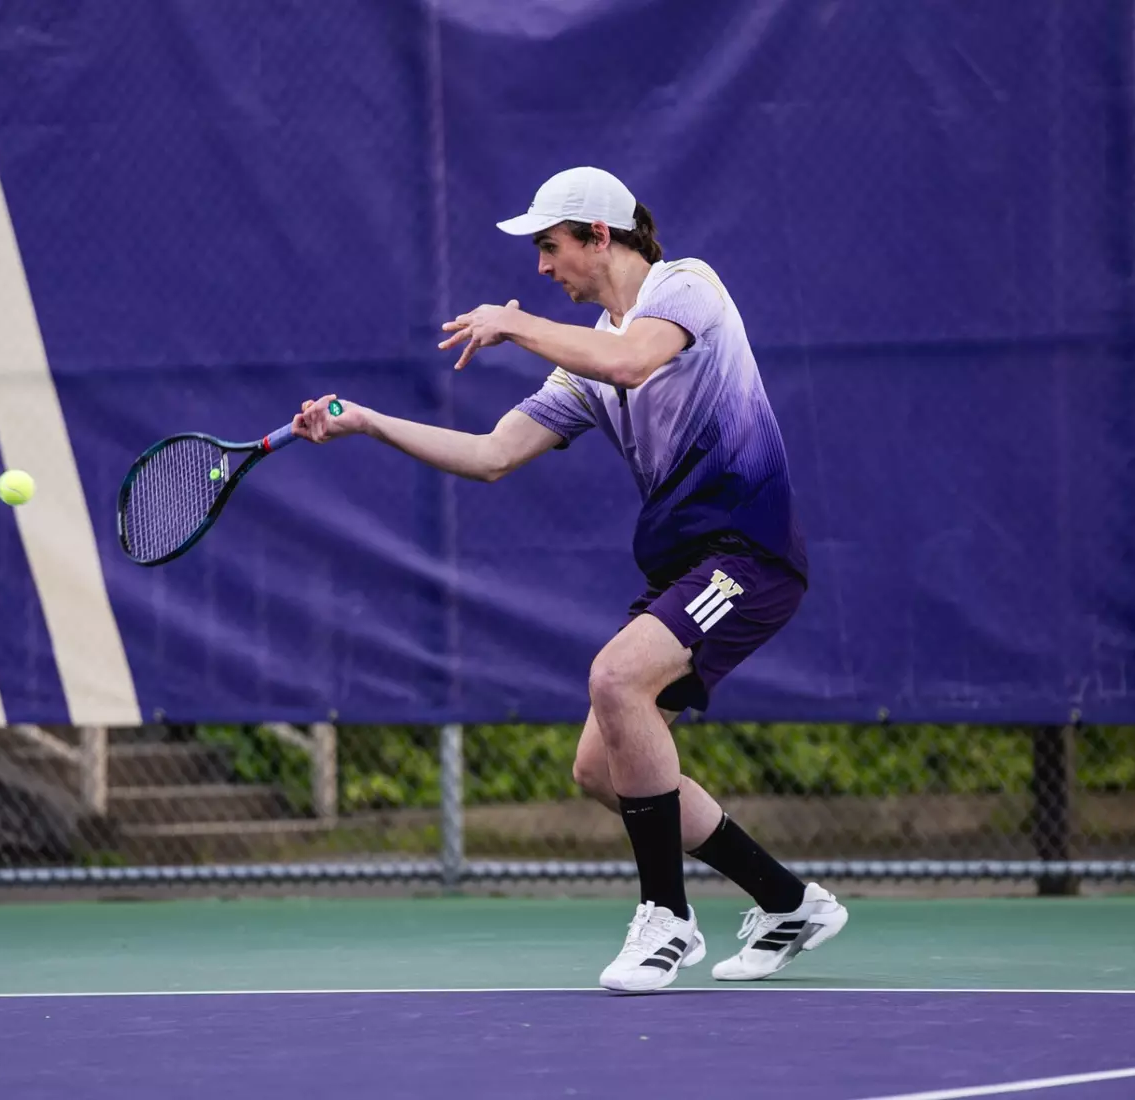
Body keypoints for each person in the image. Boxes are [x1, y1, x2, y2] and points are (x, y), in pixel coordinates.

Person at [292, 166, 847, 992]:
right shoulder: (584, 365)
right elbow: (491, 455)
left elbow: (632, 361)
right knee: (602, 767)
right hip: (684, 565)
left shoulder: (686, 288)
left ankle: (667, 919)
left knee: (616, 678)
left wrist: (515, 324)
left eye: (551, 246)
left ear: (601, 236)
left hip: (749, 553)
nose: (543, 267)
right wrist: (369, 422)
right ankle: (788, 901)